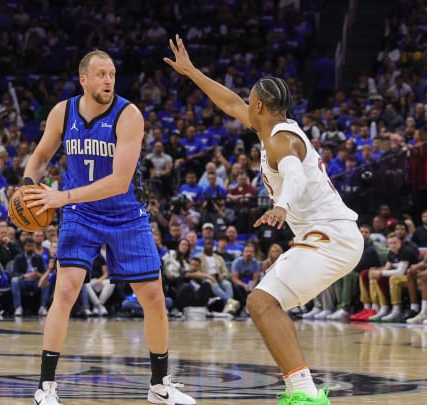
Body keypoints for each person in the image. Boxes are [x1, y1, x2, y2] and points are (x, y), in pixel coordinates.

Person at [165, 35, 363, 405]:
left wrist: (283, 206)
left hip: (331, 238)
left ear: (258, 105)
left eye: (248, 101)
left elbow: (295, 175)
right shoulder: (270, 127)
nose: (243, 105)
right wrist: (191, 72)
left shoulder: (280, 140)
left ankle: (304, 393)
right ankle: (300, 389)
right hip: (332, 237)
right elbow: (228, 102)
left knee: (260, 302)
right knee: (263, 303)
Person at [20, 50, 196, 405]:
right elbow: (40, 158)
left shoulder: (129, 115)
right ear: (83, 79)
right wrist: (26, 187)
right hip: (80, 214)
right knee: (65, 292)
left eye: (112, 74)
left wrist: (61, 197)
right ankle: (46, 388)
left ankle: (160, 385)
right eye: (101, 74)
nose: (108, 81)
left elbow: (119, 181)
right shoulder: (62, 112)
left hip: (125, 214)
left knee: (154, 299)